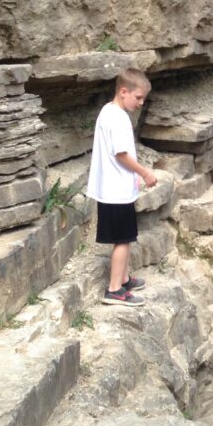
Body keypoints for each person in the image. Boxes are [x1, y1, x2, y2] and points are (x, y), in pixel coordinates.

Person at [85, 67, 158, 306]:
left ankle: (124, 278)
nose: (141, 102)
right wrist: (144, 172)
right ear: (123, 91)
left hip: (117, 188)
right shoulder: (116, 118)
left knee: (126, 237)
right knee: (123, 239)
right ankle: (114, 289)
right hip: (115, 192)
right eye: (138, 97)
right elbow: (121, 155)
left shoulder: (110, 111)